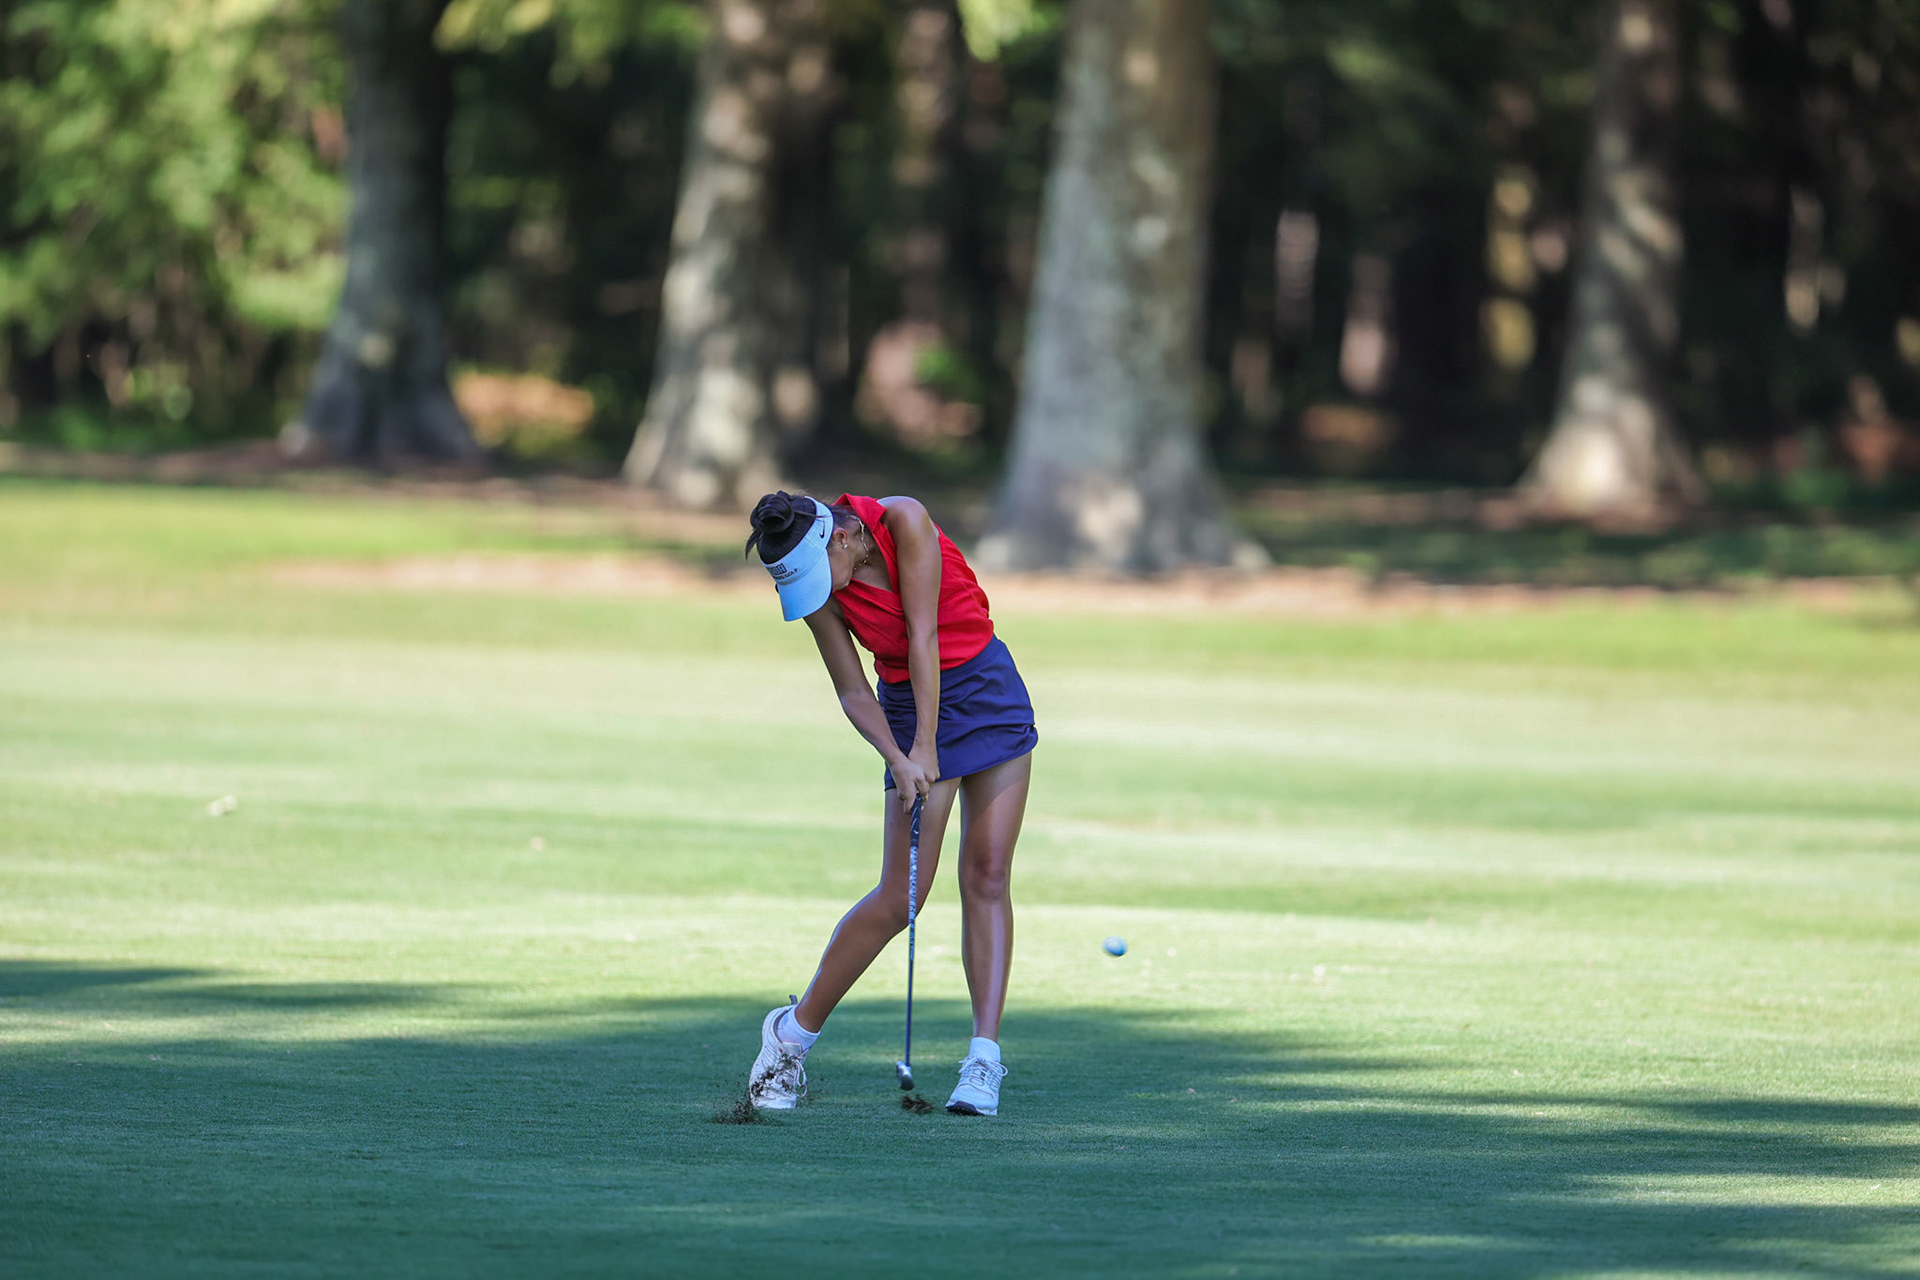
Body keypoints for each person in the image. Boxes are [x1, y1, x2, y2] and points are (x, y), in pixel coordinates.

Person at [741, 491, 1037, 1117]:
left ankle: (984, 1058)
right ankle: (790, 1037)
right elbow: (852, 688)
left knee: (988, 873)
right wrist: (901, 757)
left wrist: (928, 746)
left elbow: (924, 634)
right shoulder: (821, 582)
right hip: (904, 707)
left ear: (840, 538)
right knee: (902, 896)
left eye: (818, 574)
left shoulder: (904, 519)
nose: (818, 589)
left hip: (983, 688)